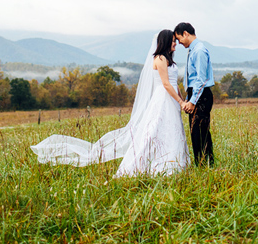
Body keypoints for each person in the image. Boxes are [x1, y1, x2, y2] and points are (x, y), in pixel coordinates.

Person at [31, 30, 190, 177]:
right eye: (173, 41)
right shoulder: (160, 59)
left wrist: (181, 100)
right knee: (155, 131)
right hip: (163, 99)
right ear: (165, 41)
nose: (175, 43)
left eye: (176, 41)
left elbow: (174, 84)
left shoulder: (169, 60)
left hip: (172, 99)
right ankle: (151, 164)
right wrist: (181, 101)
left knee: (171, 129)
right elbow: (166, 84)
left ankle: (174, 162)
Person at [174, 22, 215, 166]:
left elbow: (201, 79)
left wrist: (192, 101)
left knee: (200, 132)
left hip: (201, 95)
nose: (179, 43)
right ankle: (204, 164)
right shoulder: (193, 50)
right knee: (197, 132)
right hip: (195, 93)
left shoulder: (199, 51)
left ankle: (205, 165)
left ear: (185, 33)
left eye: (179, 39)